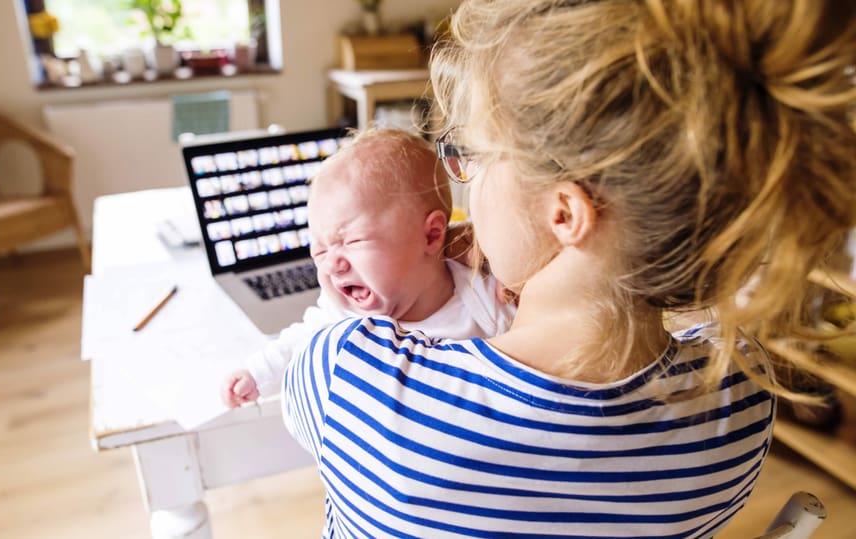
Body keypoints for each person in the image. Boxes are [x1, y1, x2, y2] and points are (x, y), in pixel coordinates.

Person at [282, 1, 856, 537]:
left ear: (564, 212)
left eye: (473, 158)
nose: (464, 187)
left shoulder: (346, 376)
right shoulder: (743, 396)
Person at [220, 127, 516, 407]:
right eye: (320, 249)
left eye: (352, 241)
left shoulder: (482, 299)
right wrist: (257, 375)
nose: (333, 264)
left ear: (431, 235)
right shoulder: (344, 314)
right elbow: (302, 340)